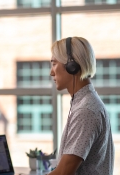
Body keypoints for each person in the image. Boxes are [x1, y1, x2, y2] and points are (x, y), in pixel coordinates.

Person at [47, 37, 114, 175]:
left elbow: (63, 173)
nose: (51, 72)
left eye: (54, 64)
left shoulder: (86, 110)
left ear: (72, 66)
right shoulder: (84, 103)